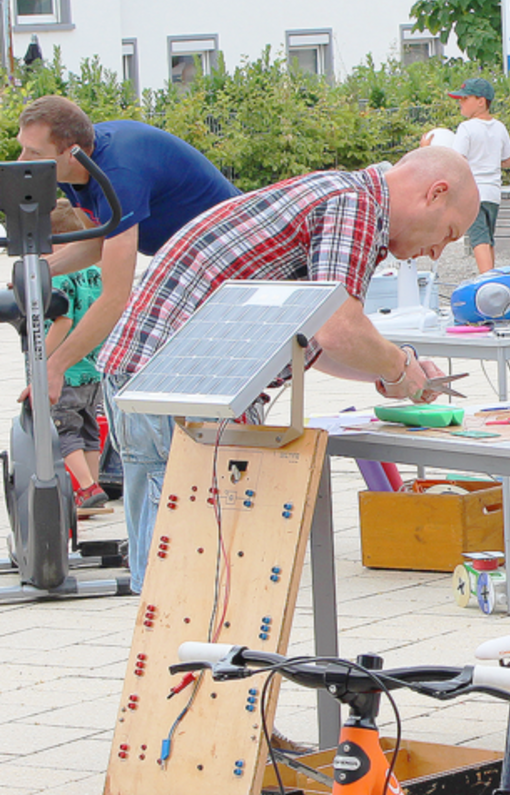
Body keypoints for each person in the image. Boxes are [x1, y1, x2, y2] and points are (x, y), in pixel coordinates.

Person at [100, 146, 480, 594]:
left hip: (168, 380)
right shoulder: (355, 204)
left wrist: (391, 376)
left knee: (195, 572)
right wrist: (400, 364)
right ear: (435, 194)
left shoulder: (345, 196)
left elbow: (314, 340)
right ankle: (189, 663)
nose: (437, 253)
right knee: (187, 578)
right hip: (177, 385)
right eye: (449, 234)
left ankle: (199, 661)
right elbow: (339, 329)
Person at [14, 97, 240, 403]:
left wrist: (56, 366)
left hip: (229, 249)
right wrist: (43, 270)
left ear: (72, 153)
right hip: (186, 255)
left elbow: (116, 298)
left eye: (34, 152)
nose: (21, 162)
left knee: (143, 351)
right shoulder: (69, 170)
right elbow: (96, 241)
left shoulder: (118, 175)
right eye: (23, 148)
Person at [43, 199, 109, 509]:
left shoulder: (57, 277)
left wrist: (43, 357)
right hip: (93, 367)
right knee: (88, 427)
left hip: (66, 369)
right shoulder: (94, 272)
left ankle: (85, 486)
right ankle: (94, 486)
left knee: (64, 429)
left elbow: (62, 319)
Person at [423, 77, 510, 273]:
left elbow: (455, 159)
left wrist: (426, 150)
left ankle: (488, 279)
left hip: (473, 192)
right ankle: (492, 275)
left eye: (465, 99)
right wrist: (489, 159)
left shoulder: (466, 128)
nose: (460, 102)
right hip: (493, 193)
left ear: (481, 101)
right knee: (488, 237)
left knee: (478, 238)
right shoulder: (499, 127)